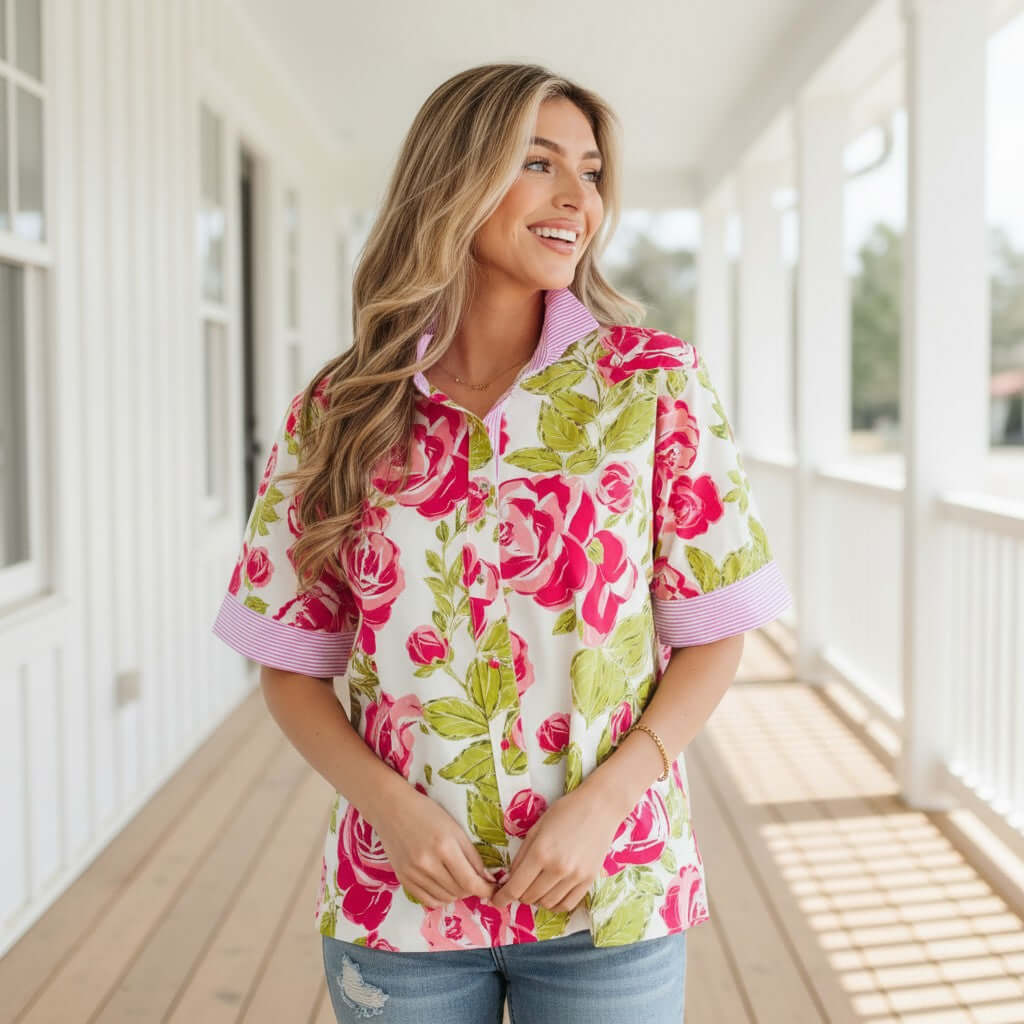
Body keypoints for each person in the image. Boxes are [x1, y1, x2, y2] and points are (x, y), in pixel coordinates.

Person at [212, 62, 792, 1024]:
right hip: (400, 909)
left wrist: (605, 803)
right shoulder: (341, 411)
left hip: (609, 894)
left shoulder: (652, 386)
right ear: (455, 178)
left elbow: (713, 632)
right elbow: (291, 661)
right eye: (538, 164)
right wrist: (393, 814)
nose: (579, 200)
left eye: (593, 172)